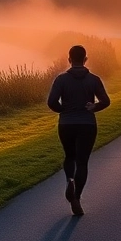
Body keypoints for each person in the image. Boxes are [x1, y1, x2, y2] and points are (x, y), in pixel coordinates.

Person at [46, 44, 110, 216]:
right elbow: (106, 101)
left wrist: (63, 110)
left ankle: (69, 180)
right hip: (87, 124)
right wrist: (94, 106)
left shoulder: (61, 79)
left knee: (69, 156)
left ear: (69, 59)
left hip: (66, 124)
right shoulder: (94, 80)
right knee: (82, 162)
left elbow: (51, 102)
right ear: (85, 59)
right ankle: (76, 197)